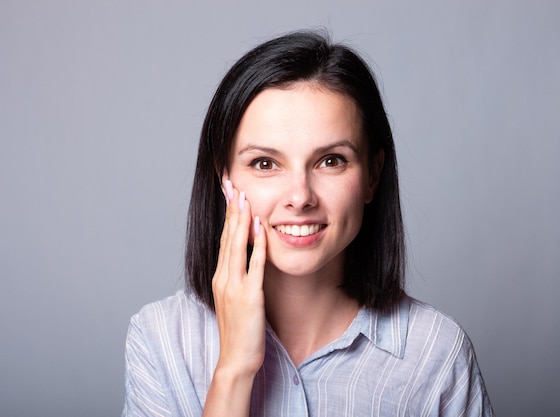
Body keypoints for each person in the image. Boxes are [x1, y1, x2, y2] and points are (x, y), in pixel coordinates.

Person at [122, 30, 494, 417]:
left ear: (372, 175)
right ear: (224, 179)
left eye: (330, 160)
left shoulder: (435, 354)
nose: (300, 197)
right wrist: (233, 371)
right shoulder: (161, 339)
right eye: (265, 164)